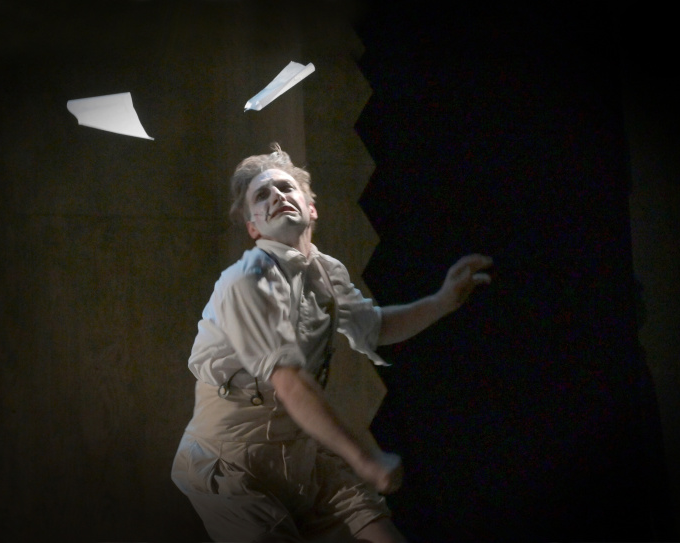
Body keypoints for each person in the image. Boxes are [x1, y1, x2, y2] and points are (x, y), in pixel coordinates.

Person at [171, 143, 492, 542]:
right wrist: (365, 459)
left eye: (286, 188)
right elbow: (290, 384)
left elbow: (375, 327)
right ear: (253, 228)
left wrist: (441, 302)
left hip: (302, 454)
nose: (276, 196)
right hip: (233, 465)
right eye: (262, 195)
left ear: (311, 209)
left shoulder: (324, 270)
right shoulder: (246, 280)